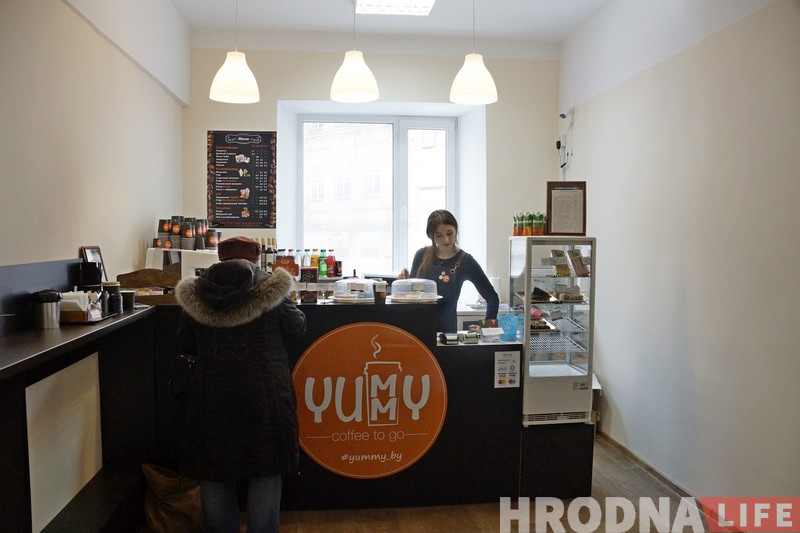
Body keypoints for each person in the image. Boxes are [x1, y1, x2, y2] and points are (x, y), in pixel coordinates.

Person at [174, 236, 306, 533]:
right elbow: (297, 329)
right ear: (256, 259)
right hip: (266, 396)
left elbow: (185, 342)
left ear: (219, 258)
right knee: (266, 469)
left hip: (210, 398)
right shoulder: (272, 289)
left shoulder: (196, 294)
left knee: (213, 469)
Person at [399, 209, 499, 333]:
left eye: (450, 233)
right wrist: (403, 284)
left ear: (456, 230)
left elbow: (492, 297)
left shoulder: (466, 261)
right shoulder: (421, 255)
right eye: (439, 235)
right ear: (431, 236)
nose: (446, 240)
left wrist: (486, 328)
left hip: (447, 333)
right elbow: (411, 297)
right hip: (416, 329)